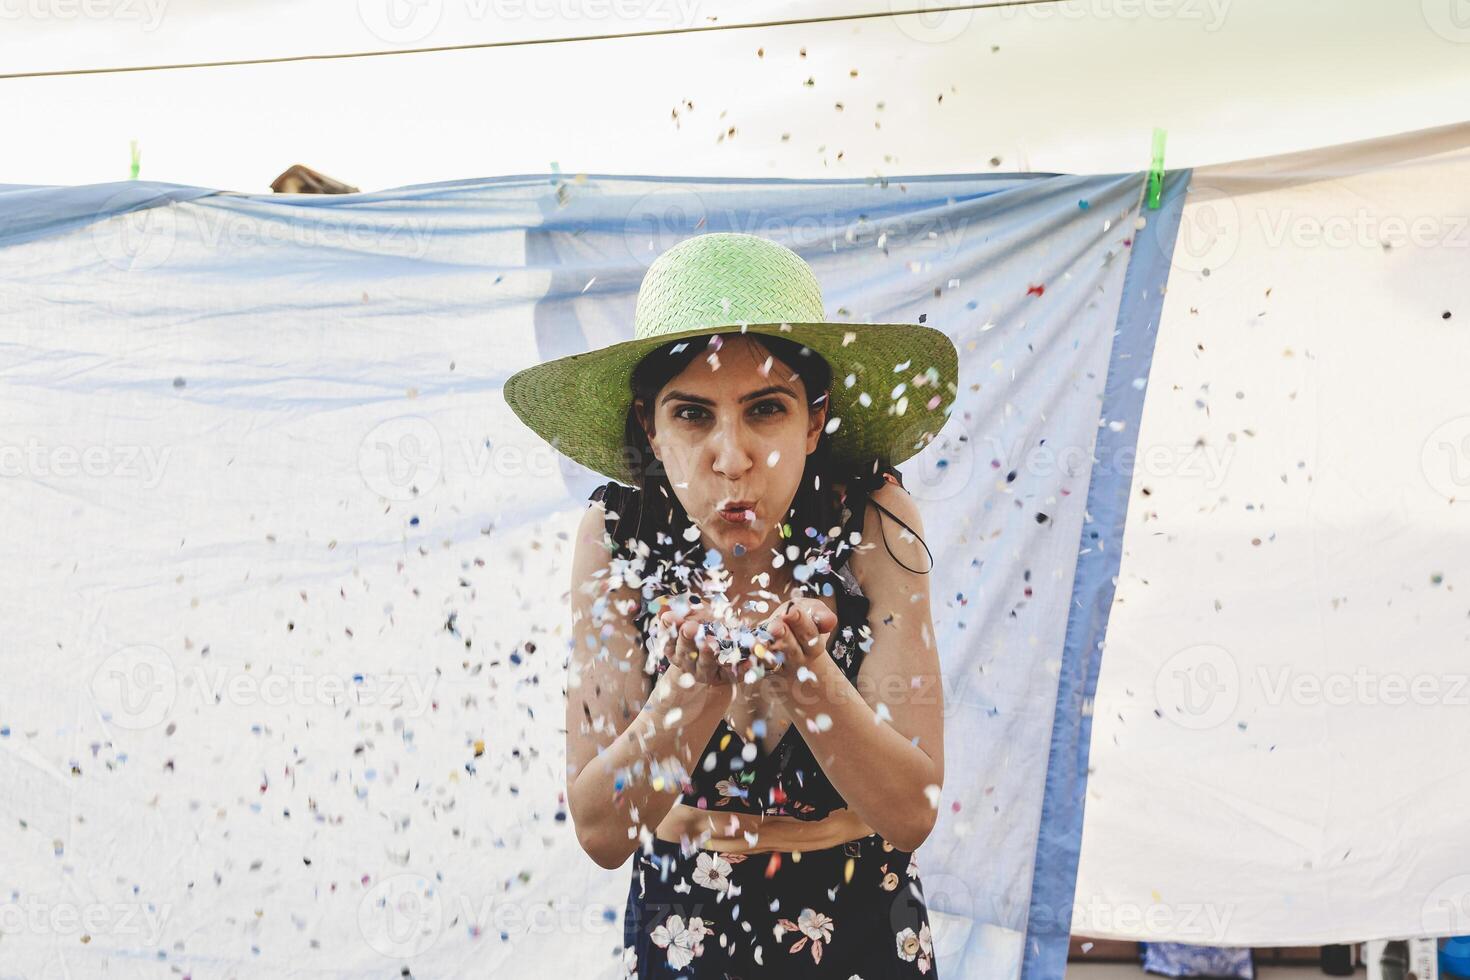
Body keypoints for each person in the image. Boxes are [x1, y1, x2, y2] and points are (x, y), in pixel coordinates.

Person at [504, 231, 961, 978]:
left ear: (813, 422)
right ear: (651, 427)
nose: (730, 455)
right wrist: (690, 693)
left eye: (766, 410)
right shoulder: (617, 538)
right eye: (691, 415)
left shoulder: (874, 518)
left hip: (861, 928)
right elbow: (601, 831)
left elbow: (912, 813)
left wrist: (807, 681)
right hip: (685, 927)